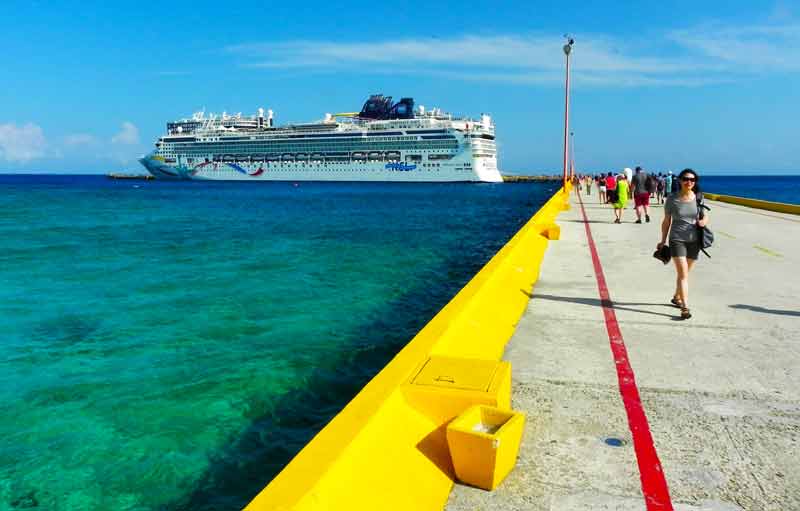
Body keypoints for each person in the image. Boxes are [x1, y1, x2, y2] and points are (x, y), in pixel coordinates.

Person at [657, 168, 709, 320]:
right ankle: (685, 307)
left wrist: (703, 221)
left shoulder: (699, 197)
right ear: (679, 180)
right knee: (683, 274)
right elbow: (667, 221)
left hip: (695, 241)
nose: (689, 182)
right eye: (686, 179)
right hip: (677, 239)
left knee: (684, 273)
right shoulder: (672, 199)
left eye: (692, 180)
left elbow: (706, 216)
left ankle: (676, 297)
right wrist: (662, 240)